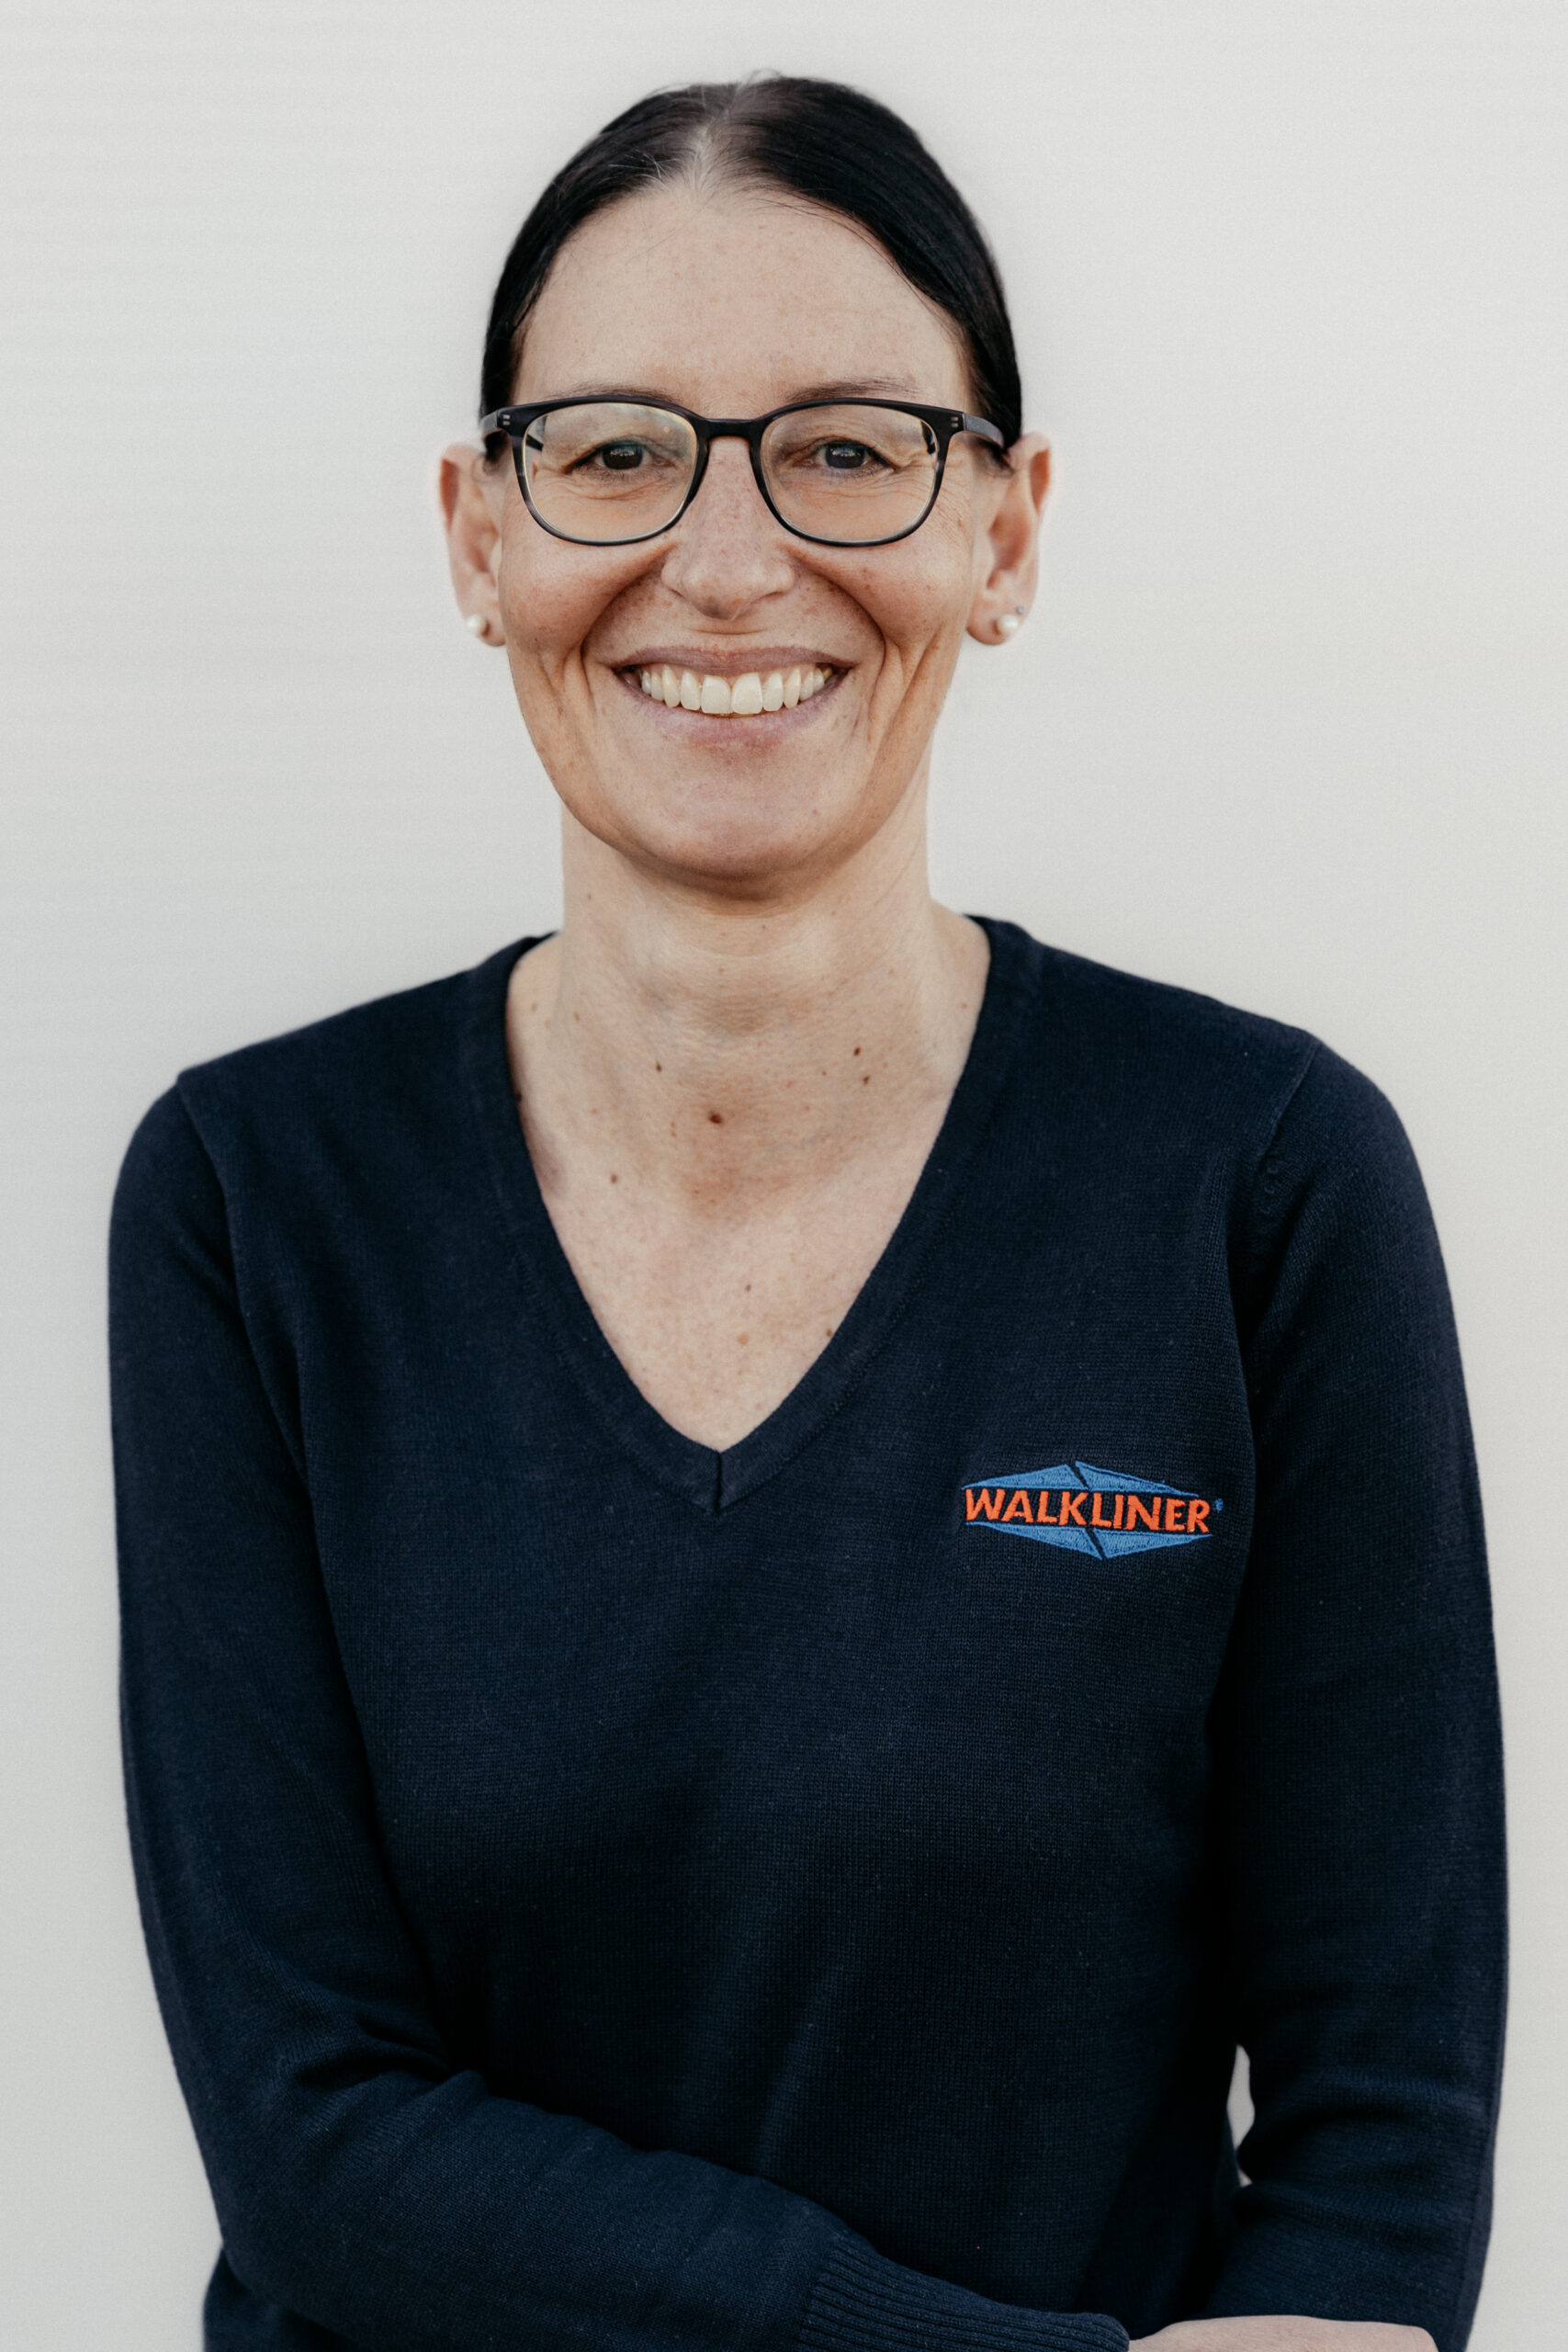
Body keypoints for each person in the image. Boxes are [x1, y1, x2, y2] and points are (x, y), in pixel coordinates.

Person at [109, 75, 1505, 2352]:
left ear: (1004, 531)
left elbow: (1379, 2144)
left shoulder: (1259, 1184)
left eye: (847, 449)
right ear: (478, 534)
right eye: (614, 451)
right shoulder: (256, 1204)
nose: (729, 556)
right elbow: (315, 2139)